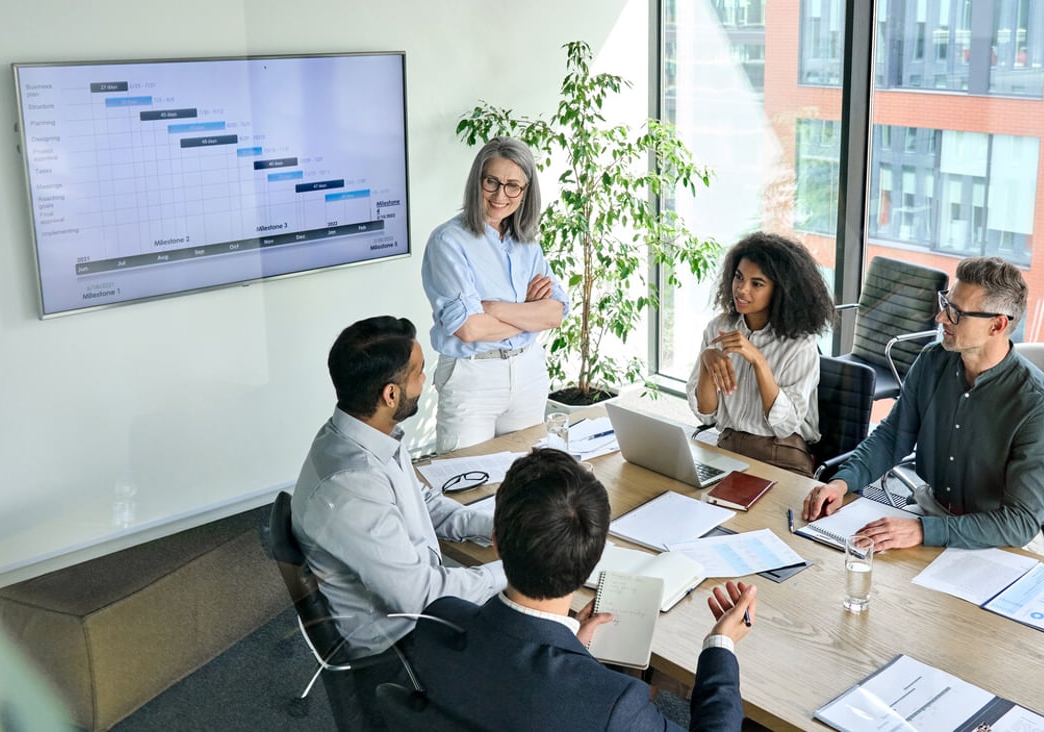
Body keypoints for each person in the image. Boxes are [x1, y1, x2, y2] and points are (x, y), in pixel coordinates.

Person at [408, 448, 755, 731]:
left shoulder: (436, 622)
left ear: (496, 543)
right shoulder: (613, 704)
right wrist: (721, 646)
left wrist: (572, 649)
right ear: (594, 558)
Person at [802, 256, 1044, 553]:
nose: (941, 319)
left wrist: (923, 530)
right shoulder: (931, 360)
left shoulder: (1037, 405)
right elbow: (891, 438)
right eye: (945, 304)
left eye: (956, 313)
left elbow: (1019, 522)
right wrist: (842, 483)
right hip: (930, 511)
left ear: (998, 325)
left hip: (999, 539)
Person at [291, 316, 506, 657]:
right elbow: (421, 597)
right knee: (541, 631)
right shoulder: (350, 487)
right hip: (401, 644)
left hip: (418, 603)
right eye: (419, 373)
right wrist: (516, 568)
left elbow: (423, 503)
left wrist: (500, 527)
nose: (427, 380)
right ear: (391, 394)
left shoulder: (363, 436)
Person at [422, 137, 568, 454]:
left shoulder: (528, 242)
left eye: (513, 185)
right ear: (478, 181)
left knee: (528, 484)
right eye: (492, 182)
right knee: (466, 483)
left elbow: (555, 313)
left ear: (526, 192)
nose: (501, 195)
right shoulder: (448, 241)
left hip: (528, 372)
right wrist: (529, 313)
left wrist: (495, 308)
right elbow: (469, 329)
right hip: (472, 375)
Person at [687, 232, 835, 476]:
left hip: (782, 455)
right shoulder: (718, 328)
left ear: (781, 291)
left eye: (757, 284)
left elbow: (785, 425)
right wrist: (706, 362)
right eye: (738, 277)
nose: (742, 290)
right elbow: (706, 414)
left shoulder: (800, 345)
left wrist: (758, 360)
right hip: (729, 446)